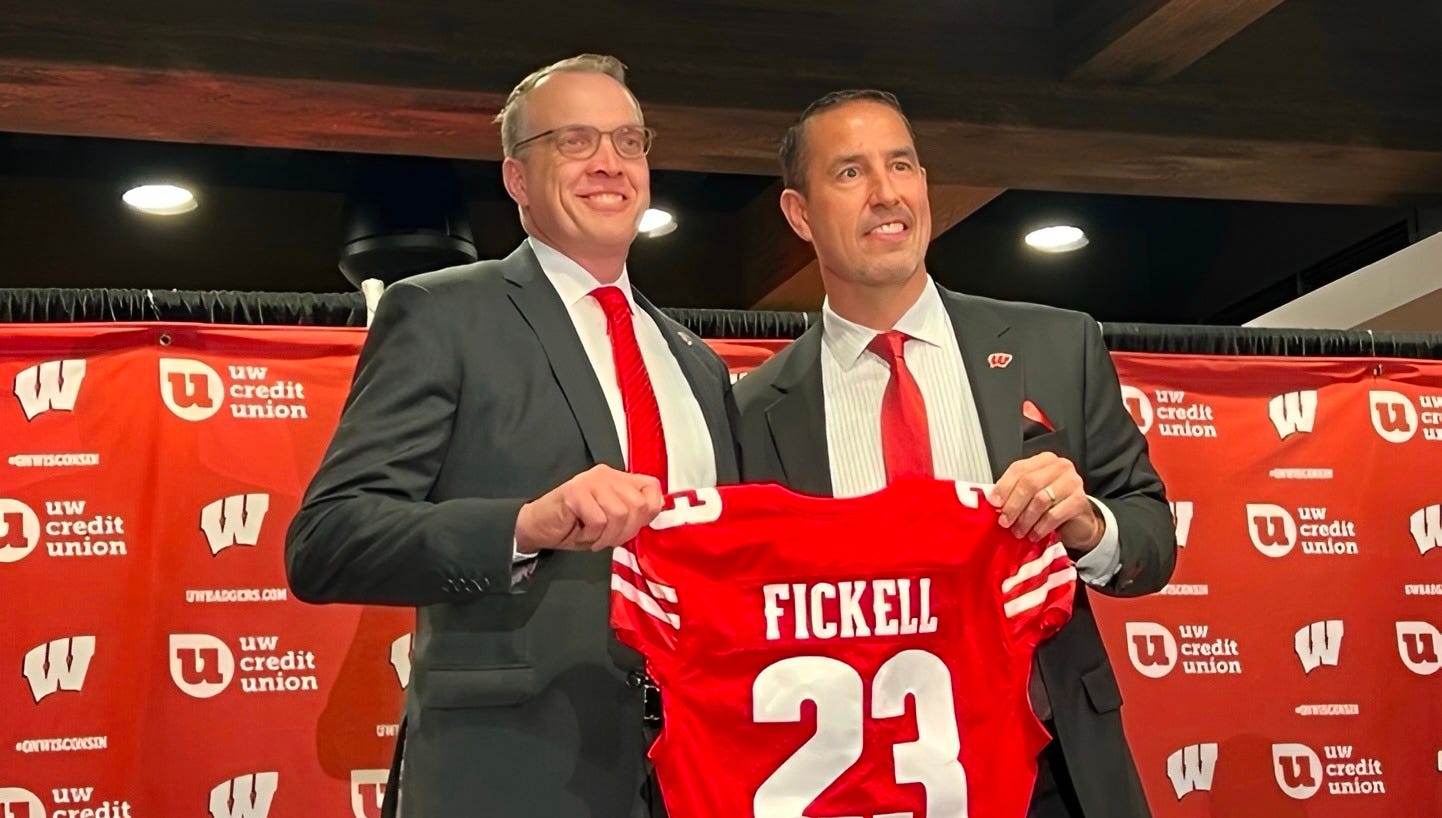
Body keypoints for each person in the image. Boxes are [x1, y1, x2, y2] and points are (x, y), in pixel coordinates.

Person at [286, 54, 738, 818]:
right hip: (512, 771)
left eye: (630, 142)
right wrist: (527, 525)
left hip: (696, 772)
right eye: (575, 141)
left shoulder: (696, 361)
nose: (609, 163)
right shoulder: (441, 313)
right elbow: (326, 542)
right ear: (517, 179)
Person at [734, 89, 1175, 818]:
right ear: (798, 214)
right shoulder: (753, 413)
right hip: (856, 783)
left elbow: (1152, 540)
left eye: (901, 165)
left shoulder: (1056, 346)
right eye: (850, 173)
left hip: (1050, 773)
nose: (886, 194)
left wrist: (1088, 525)